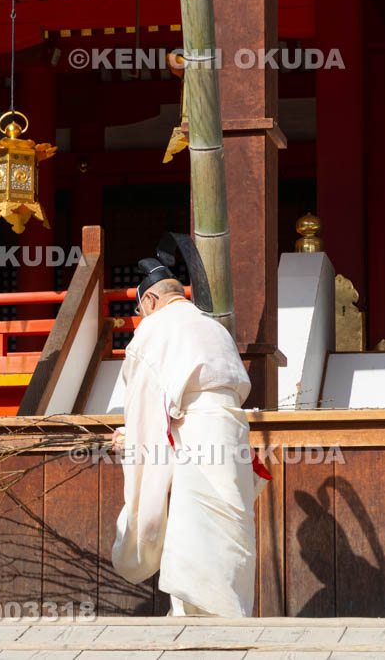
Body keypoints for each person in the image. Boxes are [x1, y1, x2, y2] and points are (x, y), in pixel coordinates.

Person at [111, 258, 270, 617]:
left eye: (140, 309)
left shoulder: (153, 331)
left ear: (150, 300)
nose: (141, 316)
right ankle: (230, 613)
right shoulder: (213, 327)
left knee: (195, 523)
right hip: (231, 427)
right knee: (231, 522)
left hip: (195, 435)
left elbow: (145, 406)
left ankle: (193, 620)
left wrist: (133, 439)